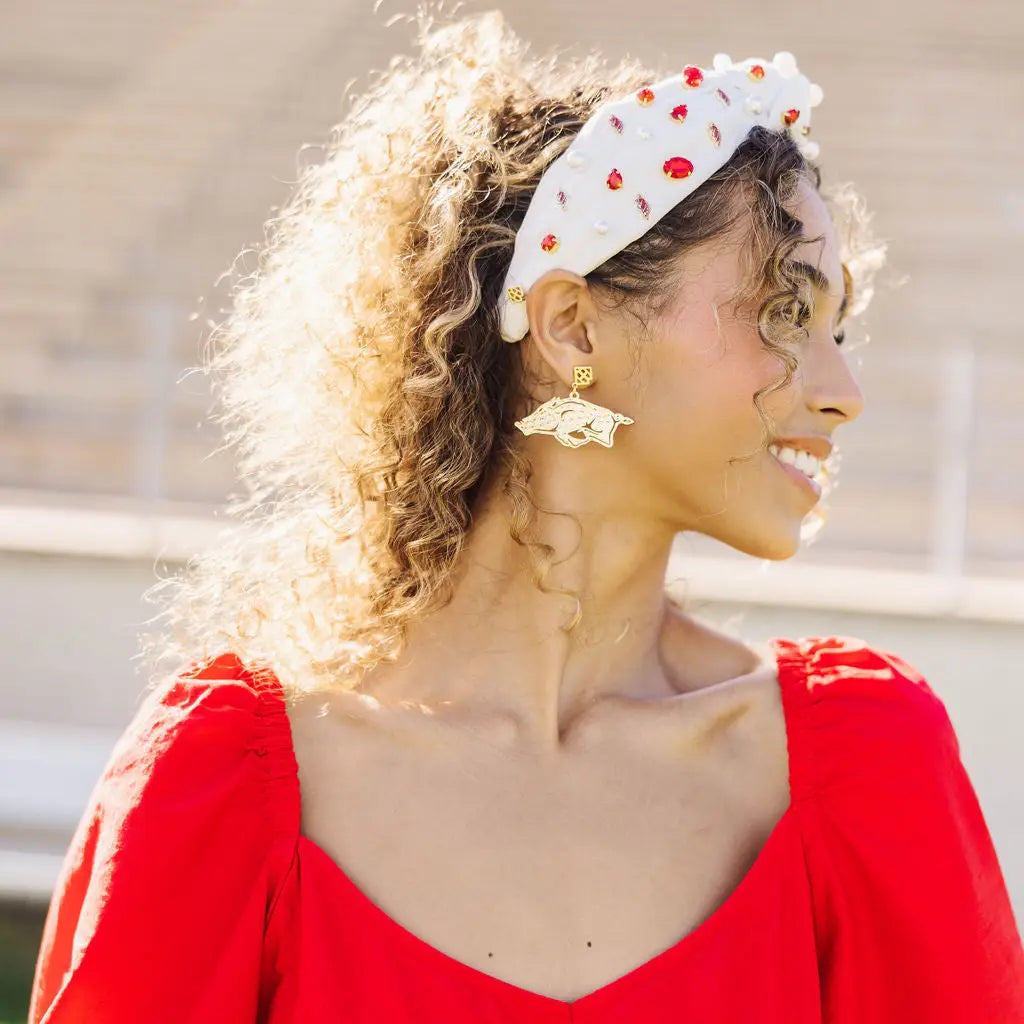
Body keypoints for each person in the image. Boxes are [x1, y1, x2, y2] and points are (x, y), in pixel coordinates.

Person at [27, 9, 1024, 1023]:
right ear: (570, 325)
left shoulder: (866, 770)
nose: (845, 388)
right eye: (784, 312)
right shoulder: (224, 792)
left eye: (838, 326)